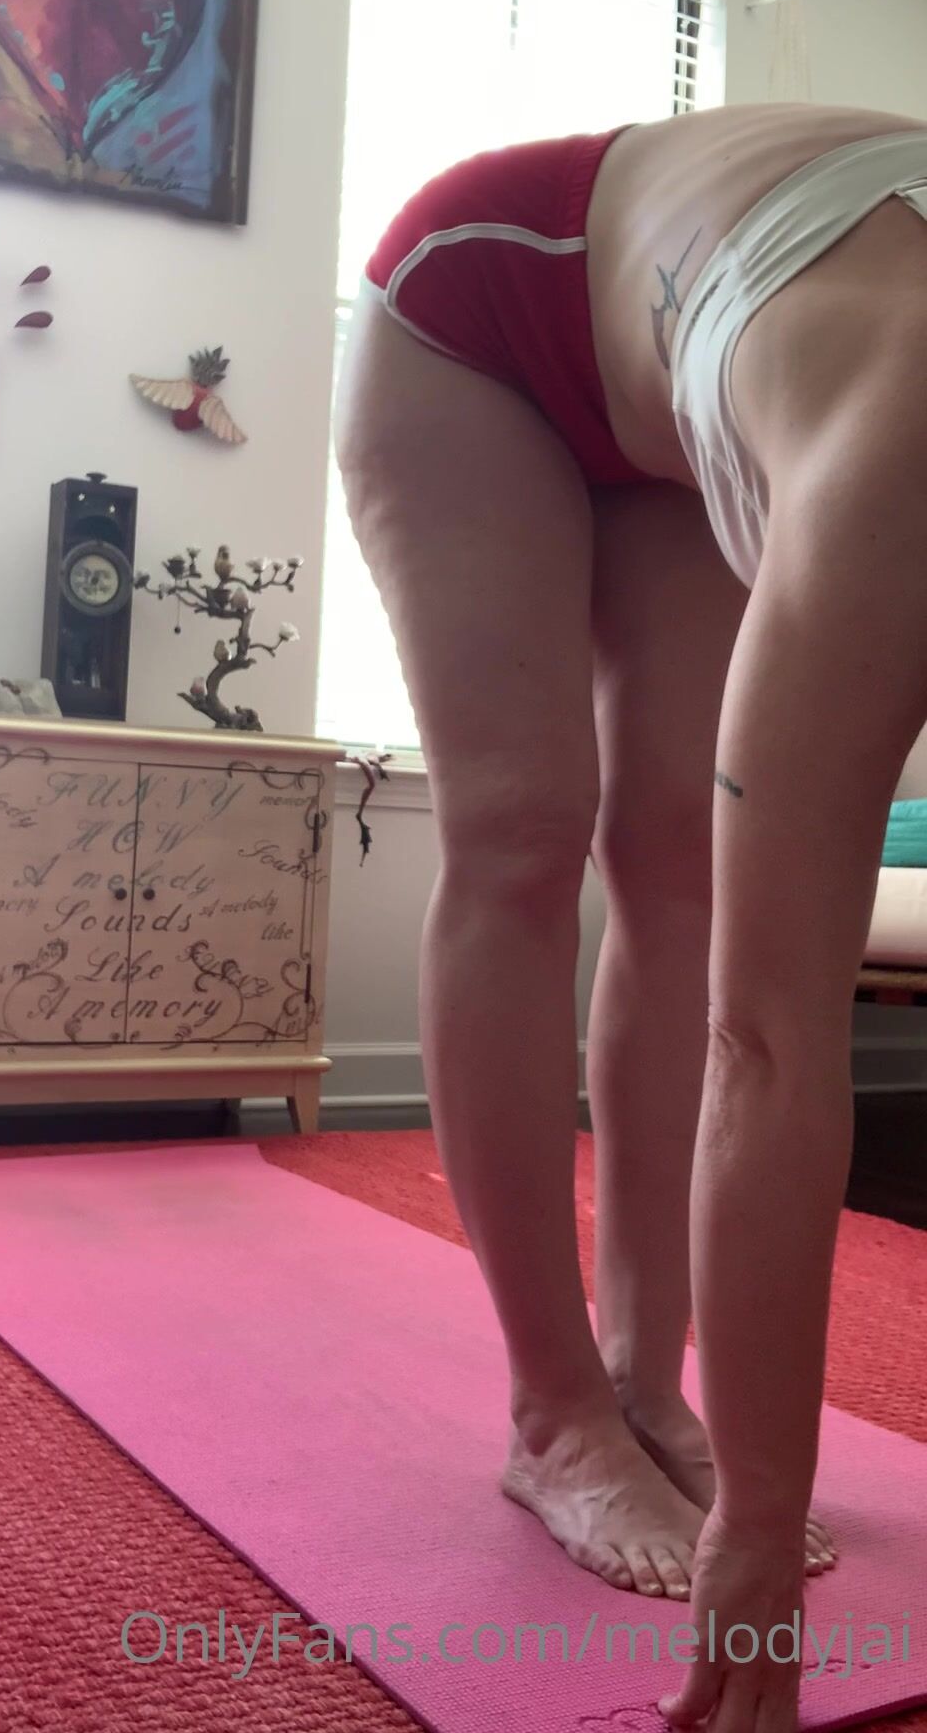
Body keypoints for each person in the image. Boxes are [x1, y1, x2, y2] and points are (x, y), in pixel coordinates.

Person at [334, 102, 927, 1733]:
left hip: (698, 355)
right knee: (524, 826)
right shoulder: (894, 486)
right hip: (484, 312)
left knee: (675, 860)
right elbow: (772, 1041)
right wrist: (758, 1541)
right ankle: (554, 1413)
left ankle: (645, 1382)